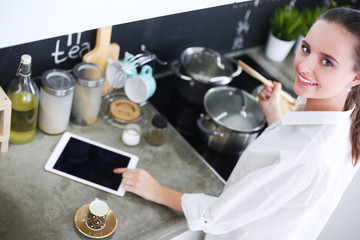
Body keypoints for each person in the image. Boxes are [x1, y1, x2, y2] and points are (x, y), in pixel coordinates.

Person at [114, 7, 360, 239]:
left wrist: (156, 191)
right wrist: (274, 114)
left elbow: (217, 215)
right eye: (306, 48)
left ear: (356, 77)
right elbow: (289, 163)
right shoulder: (343, 116)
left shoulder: (310, 155)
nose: (305, 66)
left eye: (327, 61)